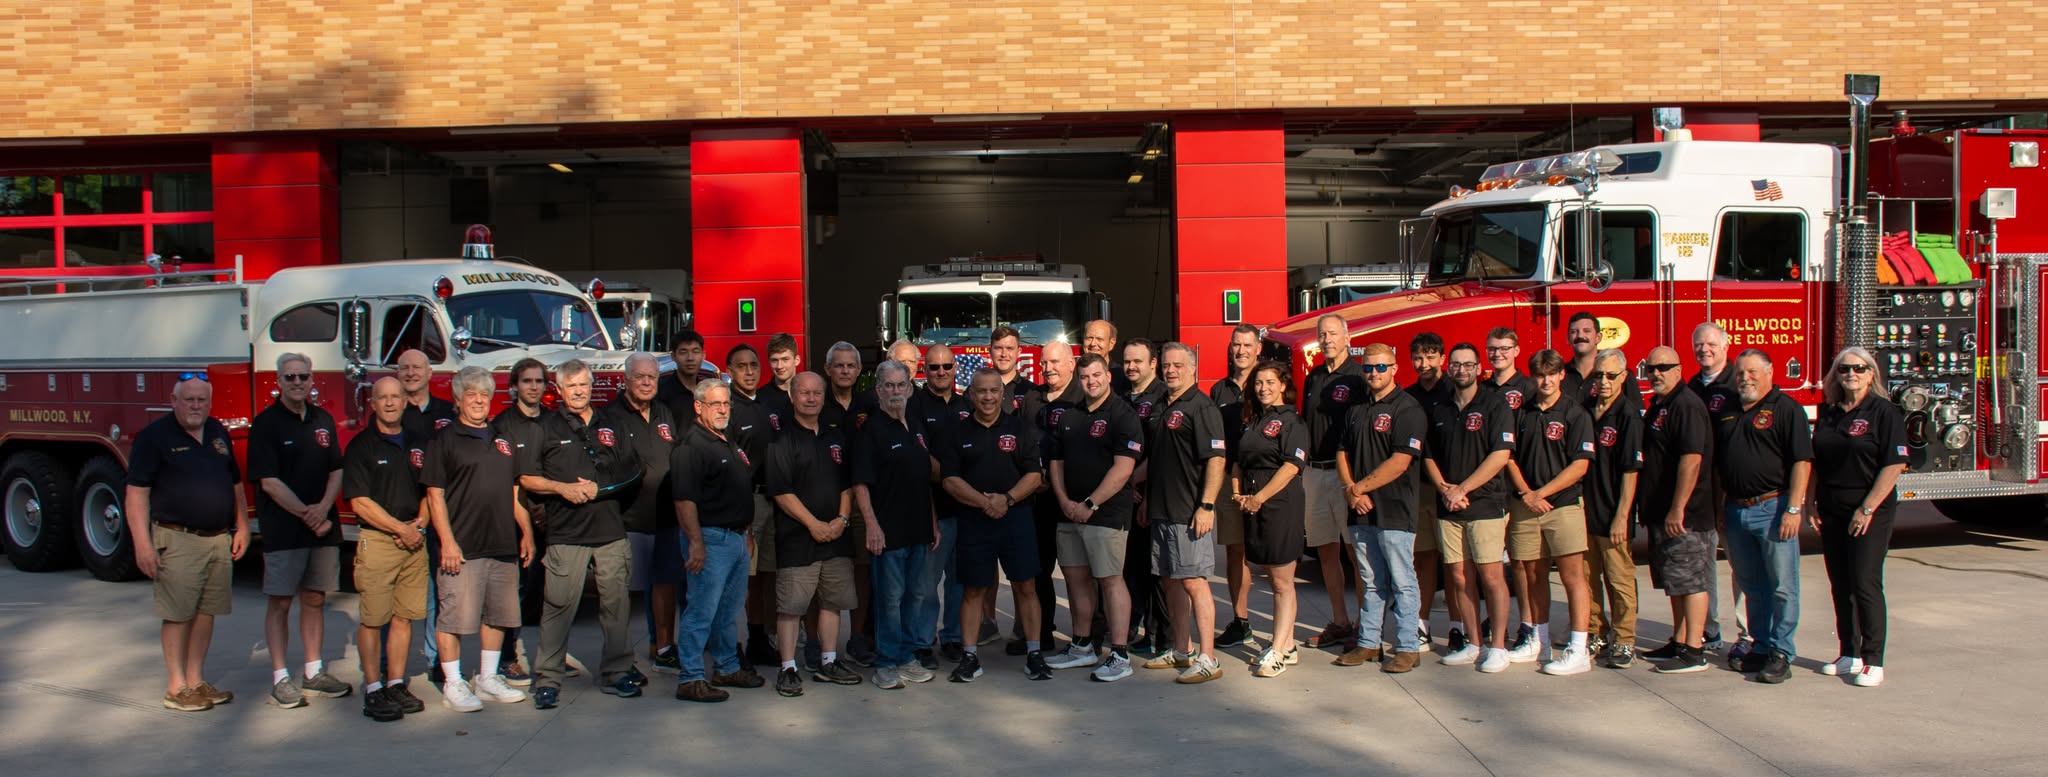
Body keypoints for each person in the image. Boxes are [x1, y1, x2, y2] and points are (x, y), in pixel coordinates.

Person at [126, 374, 250, 712]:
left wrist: (242, 526)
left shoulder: (216, 431)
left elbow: (234, 483)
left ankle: (196, 682)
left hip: (217, 540)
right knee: (178, 614)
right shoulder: (154, 438)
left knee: (206, 612)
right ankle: (176, 686)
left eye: (202, 400)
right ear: (174, 400)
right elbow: (137, 494)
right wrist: (143, 545)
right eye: (189, 399)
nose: (196, 405)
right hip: (178, 538)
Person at [527, 359, 646, 708]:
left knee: (616, 605)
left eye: (584, 384)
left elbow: (635, 470)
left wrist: (600, 490)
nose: (579, 391)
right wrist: (562, 489)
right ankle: (548, 678)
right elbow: (528, 478)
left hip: (609, 530)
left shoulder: (612, 422)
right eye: (571, 386)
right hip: (566, 532)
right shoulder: (544, 427)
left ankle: (617, 671)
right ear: (559, 390)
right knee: (558, 606)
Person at [421, 366, 536, 713]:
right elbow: (434, 495)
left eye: (484, 395)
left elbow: (514, 492)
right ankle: (453, 683)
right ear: (457, 400)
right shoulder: (444, 440)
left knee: (497, 615)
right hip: (463, 547)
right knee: (453, 618)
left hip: (501, 543)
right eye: (471, 394)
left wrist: (527, 532)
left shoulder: (501, 440)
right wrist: (448, 542)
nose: (478, 401)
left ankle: (487, 678)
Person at [248, 352, 352, 707]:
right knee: (280, 601)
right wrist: (309, 514)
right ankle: (280, 677)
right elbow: (268, 482)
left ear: (312, 380)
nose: (297, 382)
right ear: (278, 381)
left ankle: (313, 672)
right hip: (285, 529)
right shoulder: (266, 424)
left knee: (314, 598)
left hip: (321, 527)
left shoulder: (322, 419)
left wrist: (323, 507)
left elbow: (336, 468)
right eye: (289, 377)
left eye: (302, 376)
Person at [938, 368, 1052, 682]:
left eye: (993, 391)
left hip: (1016, 519)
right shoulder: (957, 432)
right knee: (973, 590)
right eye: (981, 391)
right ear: (971, 395)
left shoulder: (1021, 429)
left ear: (1003, 394)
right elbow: (949, 479)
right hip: (974, 521)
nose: (987, 397)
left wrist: (1007, 500)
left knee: (1026, 587)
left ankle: (1034, 654)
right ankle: (970, 657)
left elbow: (1034, 475)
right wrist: (984, 502)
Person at [1710, 349, 1812, 685]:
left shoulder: (1787, 409)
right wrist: (1723, 509)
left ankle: (1782, 652)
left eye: (1752, 372)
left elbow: (1801, 461)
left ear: (1769, 373)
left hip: (1774, 509)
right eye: (1740, 373)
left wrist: (1794, 509)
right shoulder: (1727, 411)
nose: (1745, 379)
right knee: (1752, 586)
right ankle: (1761, 645)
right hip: (1737, 510)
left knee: (1782, 586)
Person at [1810, 347, 1907, 688]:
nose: (1851, 374)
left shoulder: (1884, 412)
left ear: (1871, 374)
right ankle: (1848, 652)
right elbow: (1817, 462)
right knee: (1840, 583)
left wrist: (1866, 509)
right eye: (1844, 369)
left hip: (1869, 510)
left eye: (1859, 368)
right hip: (1832, 509)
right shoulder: (1831, 413)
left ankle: (1873, 659)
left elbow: (1894, 465)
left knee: (1865, 581)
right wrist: (1810, 502)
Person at [1044, 352, 1143, 682]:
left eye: (1097, 375)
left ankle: (1119, 653)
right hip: (1069, 512)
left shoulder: (1122, 414)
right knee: (1075, 578)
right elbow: (1055, 462)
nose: (1092, 382)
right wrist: (1064, 500)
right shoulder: (1069, 415)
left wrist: (1090, 503)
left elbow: (1123, 468)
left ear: (1108, 376)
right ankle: (1082, 645)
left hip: (1106, 514)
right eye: (1085, 377)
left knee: (1110, 580)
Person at [671, 379, 770, 701]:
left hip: (737, 539)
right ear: (698, 407)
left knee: (728, 612)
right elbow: (684, 500)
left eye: (726, 404)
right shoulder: (691, 447)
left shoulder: (725, 439)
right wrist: (696, 543)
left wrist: (748, 534)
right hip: (711, 540)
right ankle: (691, 676)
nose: (723, 409)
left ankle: (726, 666)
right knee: (701, 610)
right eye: (716, 404)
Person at [767, 372, 865, 697]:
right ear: (793, 397)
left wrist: (840, 519)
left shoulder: (836, 437)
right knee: (792, 607)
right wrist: (813, 524)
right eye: (804, 393)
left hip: (836, 536)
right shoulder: (782, 440)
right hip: (798, 537)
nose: (811, 398)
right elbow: (781, 492)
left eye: (817, 393)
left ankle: (828, 660)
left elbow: (846, 484)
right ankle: (788, 668)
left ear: (824, 397)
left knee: (833, 603)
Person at [1502, 349, 1597, 675]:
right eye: (1539, 375)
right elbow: (1509, 456)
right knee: (1531, 574)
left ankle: (1578, 647)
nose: (1545, 380)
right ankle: (1537, 639)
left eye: (1551, 374)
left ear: (1561, 376)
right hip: (1526, 506)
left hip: (1563, 506)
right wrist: (1527, 494)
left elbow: (1580, 465)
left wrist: (1542, 493)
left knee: (1573, 577)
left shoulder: (1575, 414)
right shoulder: (1522, 413)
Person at [1140, 343, 1230, 684]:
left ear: (1193, 368)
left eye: (1178, 365)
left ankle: (1208, 657)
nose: (1171, 370)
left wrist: (1206, 505)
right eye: (1166, 365)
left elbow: (1216, 459)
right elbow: (1157, 460)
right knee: (1170, 581)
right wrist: (1148, 499)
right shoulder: (1162, 405)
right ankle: (1182, 650)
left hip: (1189, 512)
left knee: (1194, 581)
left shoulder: (1202, 407)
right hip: (1162, 510)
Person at [344, 377, 433, 721]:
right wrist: (399, 529)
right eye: (383, 398)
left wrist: (418, 526)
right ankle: (373, 689)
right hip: (380, 541)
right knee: (373, 619)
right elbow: (359, 501)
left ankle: (395, 682)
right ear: (374, 404)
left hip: (414, 538)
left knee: (403, 617)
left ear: (404, 402)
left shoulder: (419, 444)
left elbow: (430, 490)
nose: (391, 403)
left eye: (396, 397)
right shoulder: (361, 446)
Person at [1336, 343, 1427, 674]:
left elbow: (1401, 461)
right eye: (1368, 368)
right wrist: (1350, 491)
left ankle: (1407, 647)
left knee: (1402, 581)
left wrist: (1360, 487)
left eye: (1380, 367)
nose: (1373, 373)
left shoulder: (1408, 408)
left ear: (1394, 368)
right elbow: (1342, 452)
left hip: (1395, 511)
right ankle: (1369, 643)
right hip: (1360, 510)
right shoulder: (1356, 408)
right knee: (1370, 580)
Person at [1426, 343, 1516, 674]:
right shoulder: (1440, 407)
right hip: (1449, 505)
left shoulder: (1495, 404)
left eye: (1468, 364)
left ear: (1479, 368)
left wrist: (1464, 488)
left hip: (1485, 503)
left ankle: (1498, 646)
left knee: (1491, 576)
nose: (1461, 370)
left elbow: (1501, 454)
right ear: (1449, 368)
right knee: (1459, 577)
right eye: (1456, 364)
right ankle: (1473, 642)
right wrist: (1444, 489)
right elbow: (1428, 455)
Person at [854, 360, 941, 689]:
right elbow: (861, 483)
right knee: (890, 600)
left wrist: (932, 522)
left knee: (915, 596)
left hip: (918, 529)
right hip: (888, 532)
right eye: (887, 386)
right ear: (878, 391)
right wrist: (872, 526)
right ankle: (886, 662)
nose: (894, 391)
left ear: (909, 387)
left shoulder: (916, 427)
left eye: (899, 385)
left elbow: (923, 479)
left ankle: (907, 657)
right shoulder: (870, 431)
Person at [603, 353, 685, 674]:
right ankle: (619, 658)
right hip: (628, 520)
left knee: (665, 585)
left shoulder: (664, 411)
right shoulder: (611, 416)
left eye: (652, 377)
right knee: (623, 595)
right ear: (626, 380)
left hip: (666, 518)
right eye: (640, 377)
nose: (647, 382)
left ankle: (663, 647)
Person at [1638, 345, 1715, 674]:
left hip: (1687, 516)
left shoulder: (1686, 405)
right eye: (1651, 368)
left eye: (1664, 367)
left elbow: (1692, 458)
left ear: (1680, 368)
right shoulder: (1660, 404)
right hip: (1661, 511)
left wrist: (1677, 508)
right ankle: (1680, 640)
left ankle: (1695, 650)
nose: (1657, 373)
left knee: (1691, 581)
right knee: (1676, 580)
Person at [1233, 361, 1309, 677]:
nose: (1263, 388)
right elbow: (1239, 461)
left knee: (1281, 581)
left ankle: (1277, 650)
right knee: (1270, 572)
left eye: (1270, 382)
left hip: (1280, 505)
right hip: (1252, 504)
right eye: (1259, 383)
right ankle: (1287, 644)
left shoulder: (1292, 421)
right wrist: (1238, 493)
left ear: (1282, 385)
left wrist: (1260, 498)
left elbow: (1291, 466)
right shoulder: (1253, 421)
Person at [492, 358, 560, 686]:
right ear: (514, 386)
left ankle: (550, 659)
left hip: (553, 516)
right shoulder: (503, 425)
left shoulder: (555, 421)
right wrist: (524, 522)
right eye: (527, 381)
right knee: (513, 592)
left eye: (539, 381)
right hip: (515, 519)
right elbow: (505, 480)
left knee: (550, 593)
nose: (533, 387)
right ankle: (508, 658)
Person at [1300, 313, 1364, 649]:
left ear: (1346, 336)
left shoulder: (1357, 377)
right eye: (1321, 334)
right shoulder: (1314, 377)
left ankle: (1364, 626)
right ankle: (1340, 620)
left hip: (1344, 476)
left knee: (1356, 553)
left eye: (1332, 334)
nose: (1326, 339)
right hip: (1314, 472)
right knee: (1326, 550)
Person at [909, 344, 974, 664]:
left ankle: (952, 637)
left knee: (960, 581)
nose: (941, 372)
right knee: (927, 582)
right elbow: (921, 456)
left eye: (947, 366)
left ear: (955, 368)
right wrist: (954, 481)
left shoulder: (968, 403)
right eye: (934, 367)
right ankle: (923, 641)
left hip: (967, 509)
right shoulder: (915, 405)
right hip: (934, 507)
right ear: (925, 369)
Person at [1582, 348, 1643, 669]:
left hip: (1613, 513)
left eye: (1611, 375)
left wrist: (1622, 516)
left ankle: (1625, 639)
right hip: (1586, 512)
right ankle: (1597, 631)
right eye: (1598, 375)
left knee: (1619, 579)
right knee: (1588, 577)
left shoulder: (1627, 415)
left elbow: (1631, 472)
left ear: (1624, 376)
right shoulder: (1587, 409)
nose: (1603, 382)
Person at [821, 340, 880, 667]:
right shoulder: (816, 401)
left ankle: (858, 637)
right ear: (828, 369)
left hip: (859, 501)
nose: (845, 370)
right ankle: (817, 641)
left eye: (851, 365)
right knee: (820, 574)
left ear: (859, 370)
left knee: (862, 571)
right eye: (839, 365)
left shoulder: (869, 404)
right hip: (823, 501)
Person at [727, 344, 786, 668]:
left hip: (775, 499)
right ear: (730, 370)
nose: (749, 371)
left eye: (753, 364)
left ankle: (760, 639)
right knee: (744, 578)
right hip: (747, 501)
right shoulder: (728, 408)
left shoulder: (768, 403)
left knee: (768, 575)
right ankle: (735, 640)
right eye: (741, 366)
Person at [1025, 339, 1083, 653]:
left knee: (1079, 573)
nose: (1048, 369)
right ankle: (1042, 632)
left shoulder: (1084, 396)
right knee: (1040, 570)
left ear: (1072, 364)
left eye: (1055, 362)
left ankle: (1085, 637)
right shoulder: (1033, 397)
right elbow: (1024, 443)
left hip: (1074, 500)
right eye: (1044, 363)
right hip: (1038, 500)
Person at [1209, 324, 1261, 652]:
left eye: (1246, 345)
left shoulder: (1270, 383)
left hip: (1265, 480)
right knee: (1234, 550)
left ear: (1259, 349)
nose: (1240, 350)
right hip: (1229, 479)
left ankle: (1285, 636)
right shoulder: (1220, 390)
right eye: (1236, 345)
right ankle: (1241, 621)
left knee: (1273, 556)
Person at [1405, 332, 1457, 651]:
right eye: (1418, 358)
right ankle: (1421, 624)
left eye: (1430, 357)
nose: (1423, 364)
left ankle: (1457, 625)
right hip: (1419, 488)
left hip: (1452, 486)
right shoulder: (1408, 397)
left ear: (1442, 358)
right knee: (1423, 558)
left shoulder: (1455, 392)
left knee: (1454, 562)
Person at [1689, 321, 1739, 652]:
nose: (1704, 349)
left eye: (1710, 344)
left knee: (1742, 565)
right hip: (1703, 490)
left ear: (1726, 345)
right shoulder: (1693, 386)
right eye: (1698, 345)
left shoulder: (1739, 384)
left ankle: (1749, 637)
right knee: (1704, 561)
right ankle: (1710, 632)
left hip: (1733, 487)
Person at [1120, 337, 1170, 654]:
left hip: (1150, 495)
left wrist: (1137, 485)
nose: (1131, 367)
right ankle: (1139, 629)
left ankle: (1161, 637)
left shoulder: (1163, 397)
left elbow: (1160, 451)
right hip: (1127, 494)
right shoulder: (1122, 397)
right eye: (1127, 361)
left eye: (1138, 361)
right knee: (1132, 568)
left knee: (1156, 572)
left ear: (1153, 363)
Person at [396, 348, 456, 440]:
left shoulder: (450, 411)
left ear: (429, 373)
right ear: (398, 373)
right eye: (405, 368)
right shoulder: (391, 413)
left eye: (416, 367)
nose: (410, 373)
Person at [656, 329, 709, 428]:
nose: (690, 358)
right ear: (673, 356)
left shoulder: (709, 390)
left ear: (703, 355)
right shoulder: (661, 392)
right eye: (683, 352)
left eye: (695, 352)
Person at [1083, 318, 1132, 395]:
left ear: (1111, 344)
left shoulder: (1122, 377)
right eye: (1089, 338)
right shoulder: (1073, 375)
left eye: (1099, 339)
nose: (1093, 343)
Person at [761, 332, 802, 405]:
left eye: (785, 359)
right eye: (774, 360)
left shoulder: (811, 393)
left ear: (796, 360)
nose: (779, 366)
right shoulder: (761, 398)